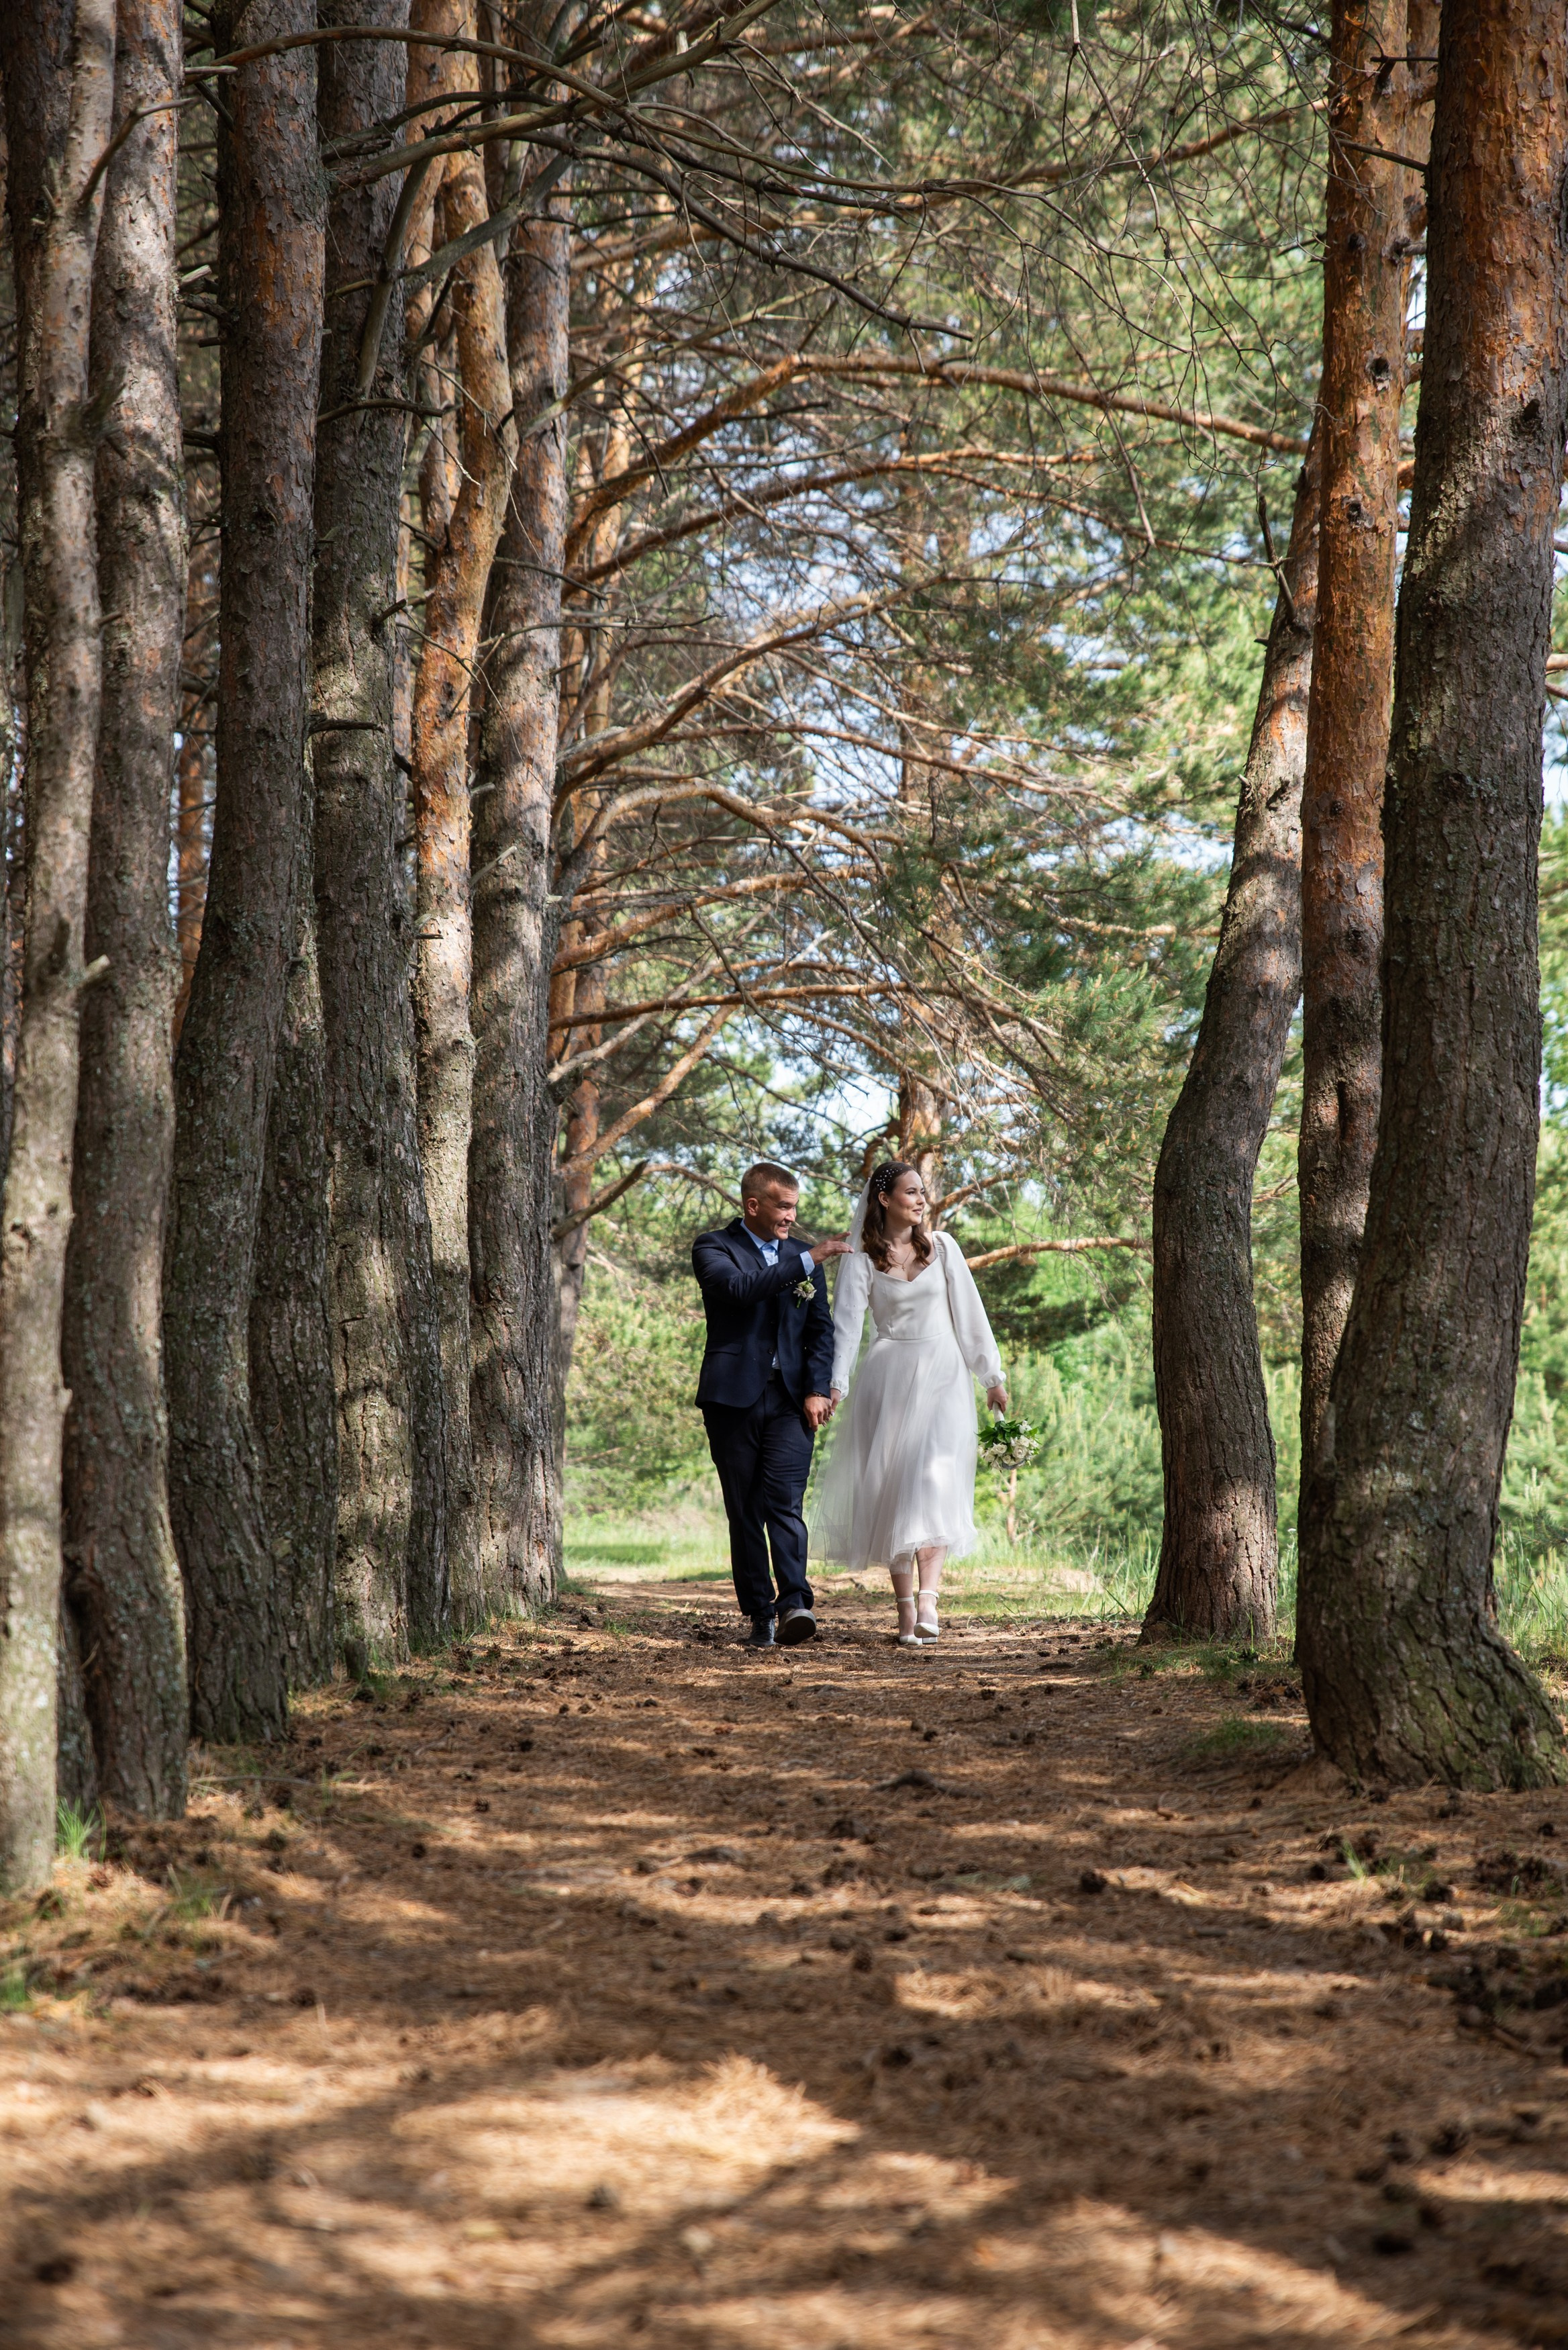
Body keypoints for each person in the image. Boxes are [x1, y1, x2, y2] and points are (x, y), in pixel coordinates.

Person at [810, 1160, 1007, 1646]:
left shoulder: (942, 1248)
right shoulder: (860, 1258)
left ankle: (929, 1602)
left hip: (942, 1375)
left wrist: (992, 1377)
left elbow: (970, 1314)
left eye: (922, 1192)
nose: (921, 1200)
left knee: (933, 1483)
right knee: (892, 1489)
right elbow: (847, 1327)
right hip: (889, 1377)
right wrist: (836, 1384)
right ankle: (902, 1614)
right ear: (884, 1199)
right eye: (910, 1192)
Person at [692, 1162, 851, 1648]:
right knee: (745, 1512)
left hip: (791, 1401)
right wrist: (807, 1263)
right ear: (753, 1205)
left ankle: (795, 1606)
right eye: (783, 1207)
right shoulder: (713, 1247)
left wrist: (818, 1389)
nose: (790, 1217)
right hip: (732, 1398)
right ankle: (759, 1614)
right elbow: (740, 1291)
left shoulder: (803, 1256)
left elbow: (821, 1331)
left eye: (794, 1207)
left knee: (786, 1504)